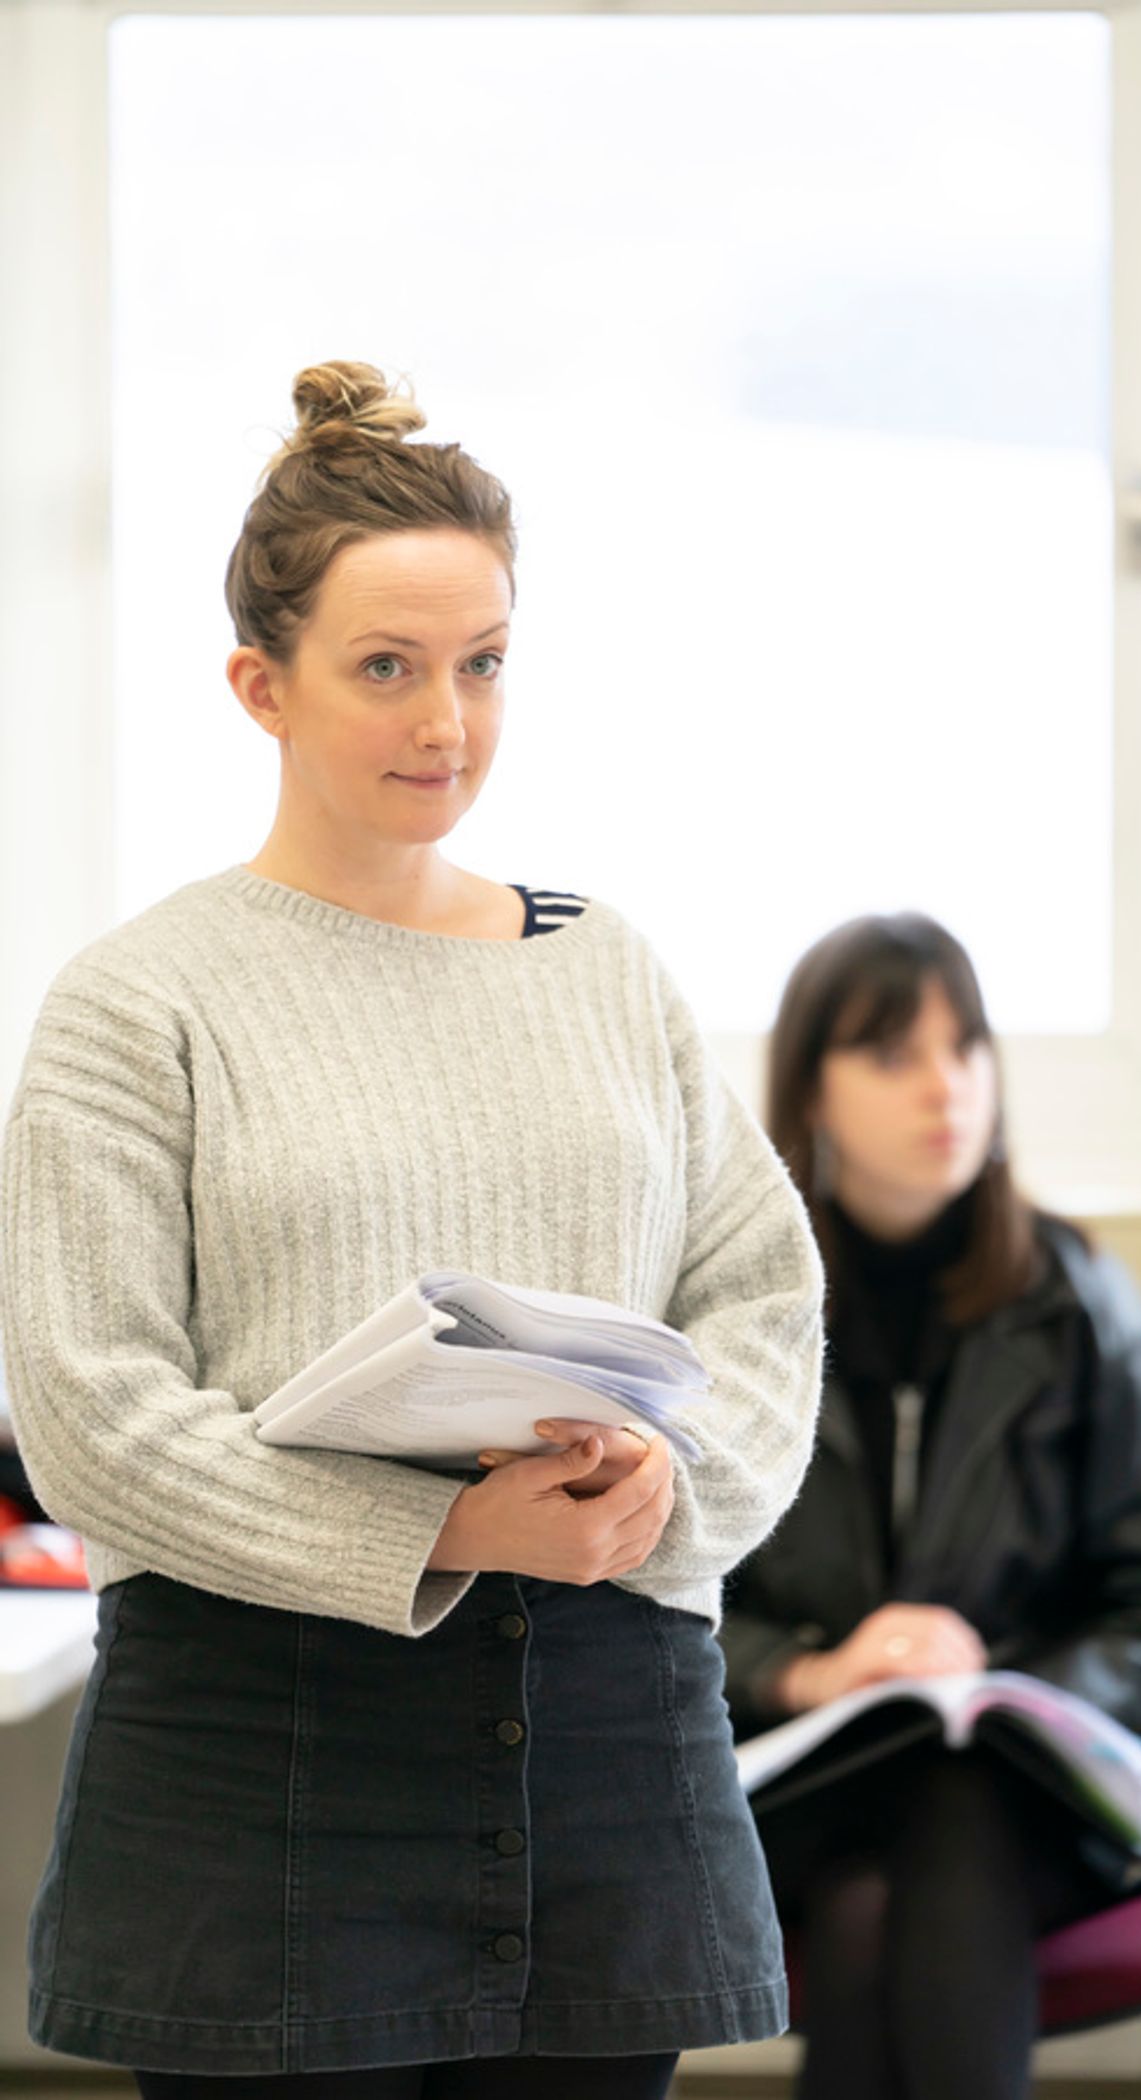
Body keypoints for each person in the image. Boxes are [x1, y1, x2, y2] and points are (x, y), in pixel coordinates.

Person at [0, 361, 825, 2100]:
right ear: (261, 685)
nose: (445, 718)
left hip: (605, 1749)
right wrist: (450, 1532)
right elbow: (90, 1418)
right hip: (264, 1761)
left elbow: (760, 1291)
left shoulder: (605, 966)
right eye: (386, 667)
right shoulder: (139, 1002)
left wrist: (676, 1490)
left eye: (483, 662)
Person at [721, 912, 1141, 2100]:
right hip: (797, 1785)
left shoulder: (1076, 1303)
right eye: (893, 1053)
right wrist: (808, 1674)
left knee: (911, 1861)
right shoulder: (740, 1311)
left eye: (966, 1049)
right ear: (810, 1083)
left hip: (1022, 1794)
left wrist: (1005, 1695)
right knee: (866, 1894)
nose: (944, 1088)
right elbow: (658, 1591)